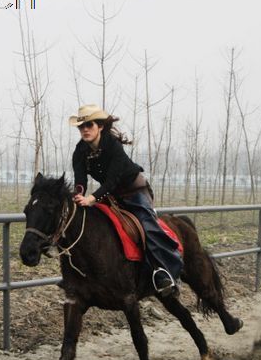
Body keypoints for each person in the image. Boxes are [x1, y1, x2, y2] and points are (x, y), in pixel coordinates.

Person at [69, 104, 183, 297]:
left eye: (89, 125)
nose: (85, 130)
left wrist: (92, 198)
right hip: (111, 196)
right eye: (82, 127)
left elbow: (112, 181)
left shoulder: (113, 146)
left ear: (100, 126)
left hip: (134, 191)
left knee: (147, 226)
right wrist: (79, 195)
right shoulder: (80, 151)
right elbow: (80, 181)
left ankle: (165, 273)